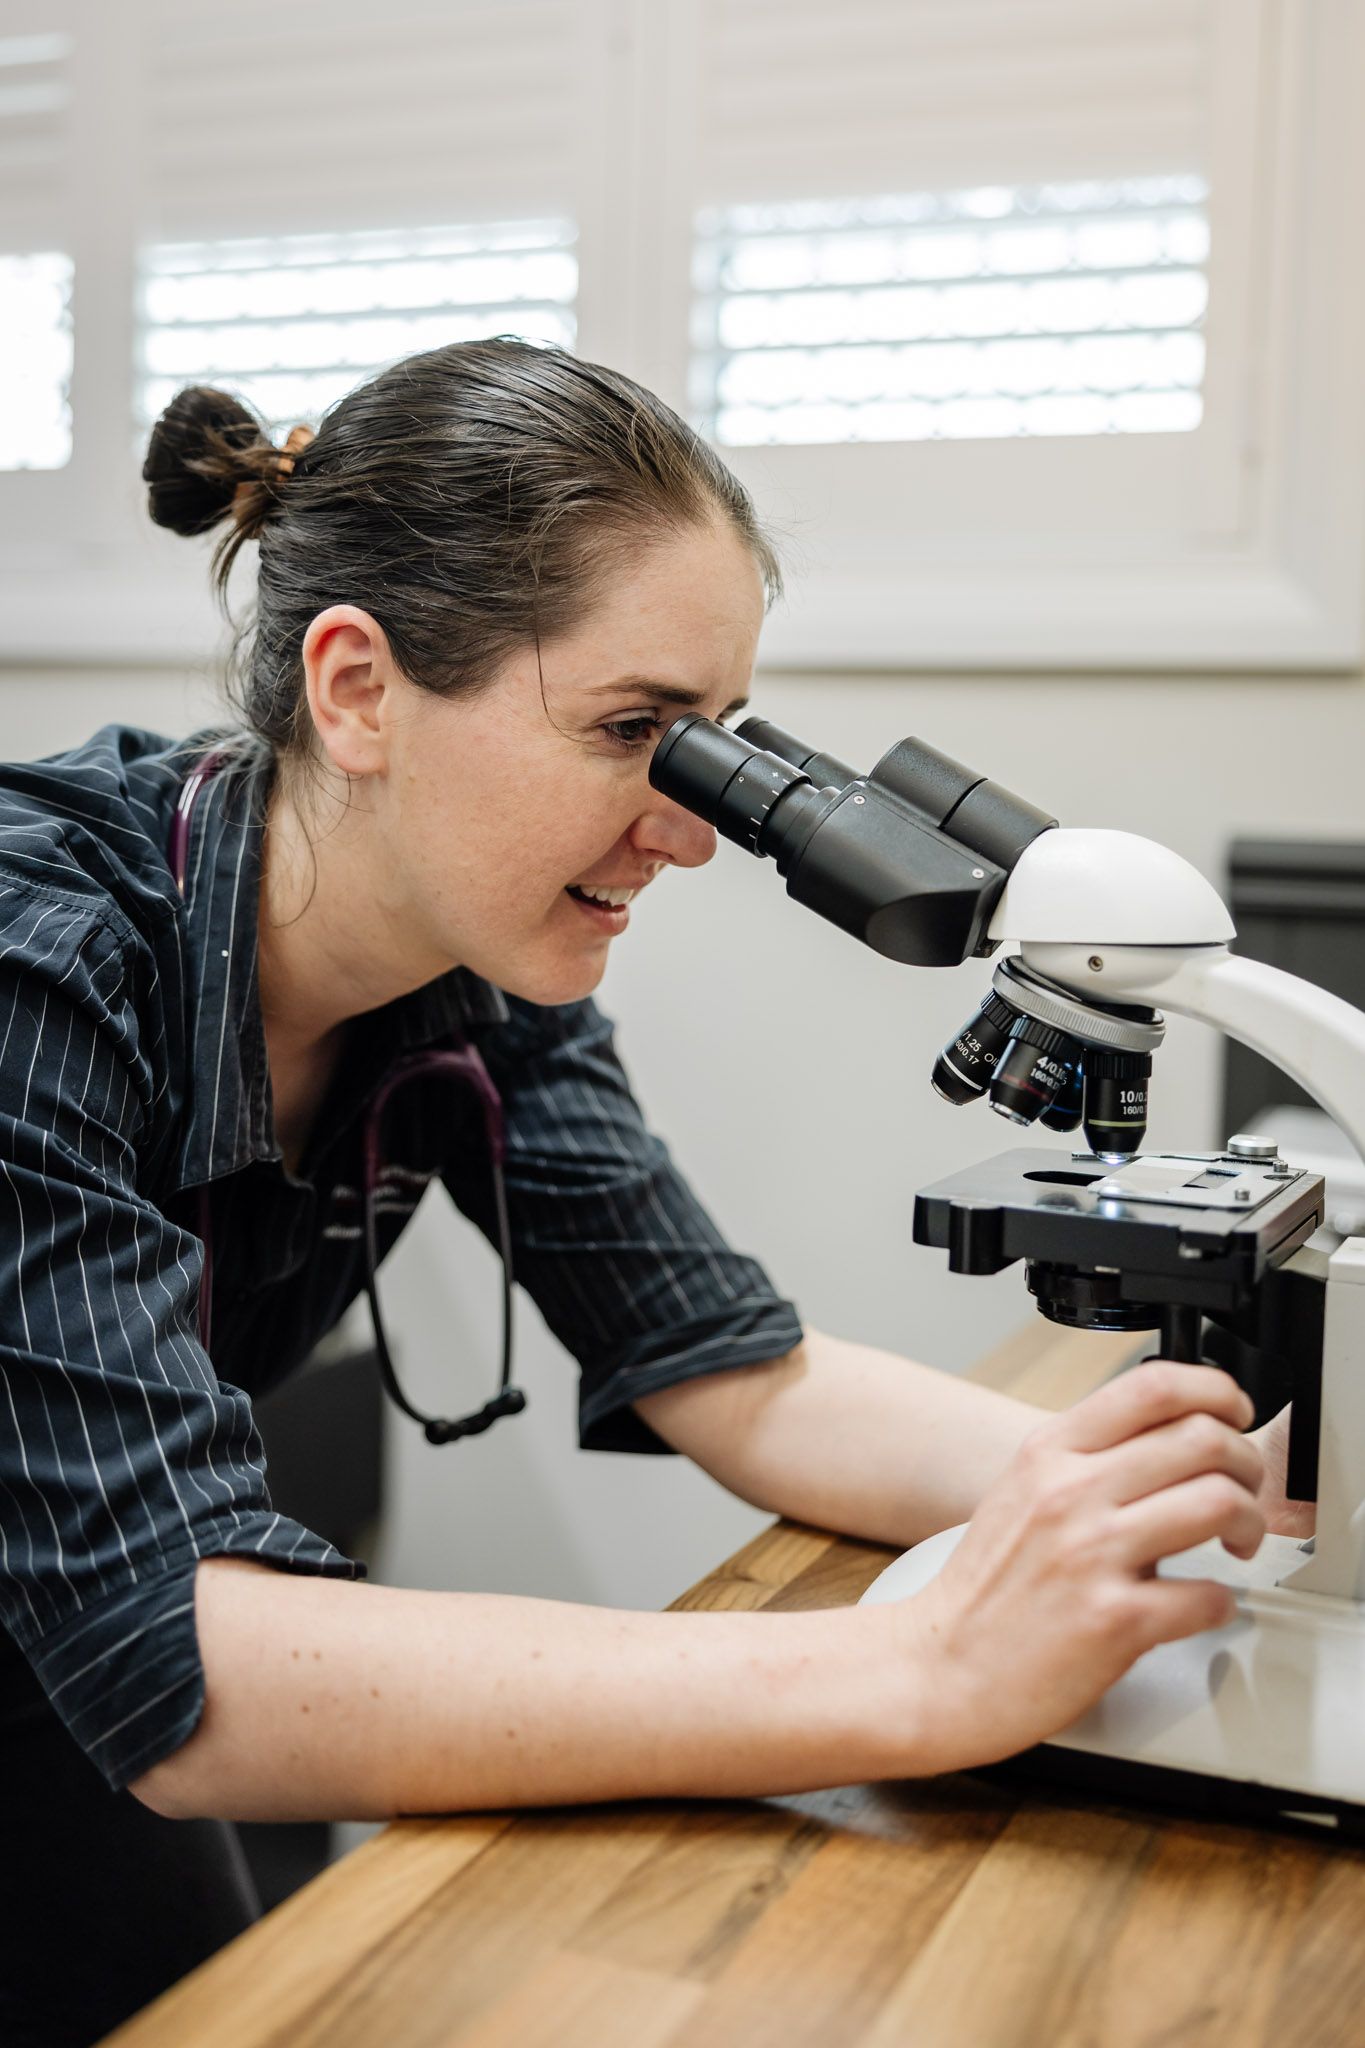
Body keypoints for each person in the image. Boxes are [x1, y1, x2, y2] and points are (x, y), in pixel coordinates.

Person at [0, 341, 1298, 2047]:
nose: (691, 834)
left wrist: (1225, 1496)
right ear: (359, 688)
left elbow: (732, 1372)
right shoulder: (41, 963)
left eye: (713, 748)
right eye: (631, 732)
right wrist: (905, 1672)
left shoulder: (460, 962)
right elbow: (185, 1674)